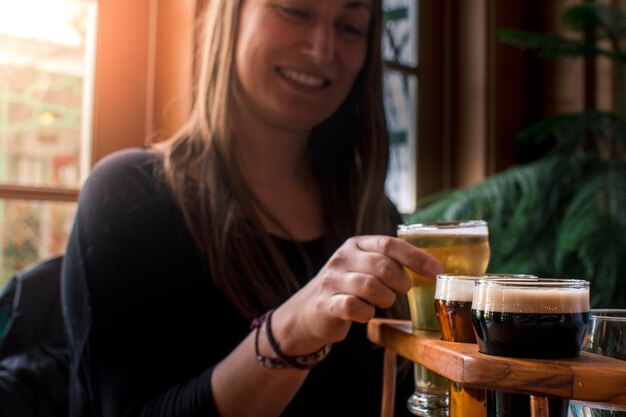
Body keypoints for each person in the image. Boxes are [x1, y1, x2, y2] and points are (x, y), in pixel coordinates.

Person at [61, 1, 444, 416]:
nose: (321, 48)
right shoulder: (129, 194)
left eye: (350, 28)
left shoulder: (375, 217)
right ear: (232, 17)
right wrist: (292, 330)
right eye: (295, 11)